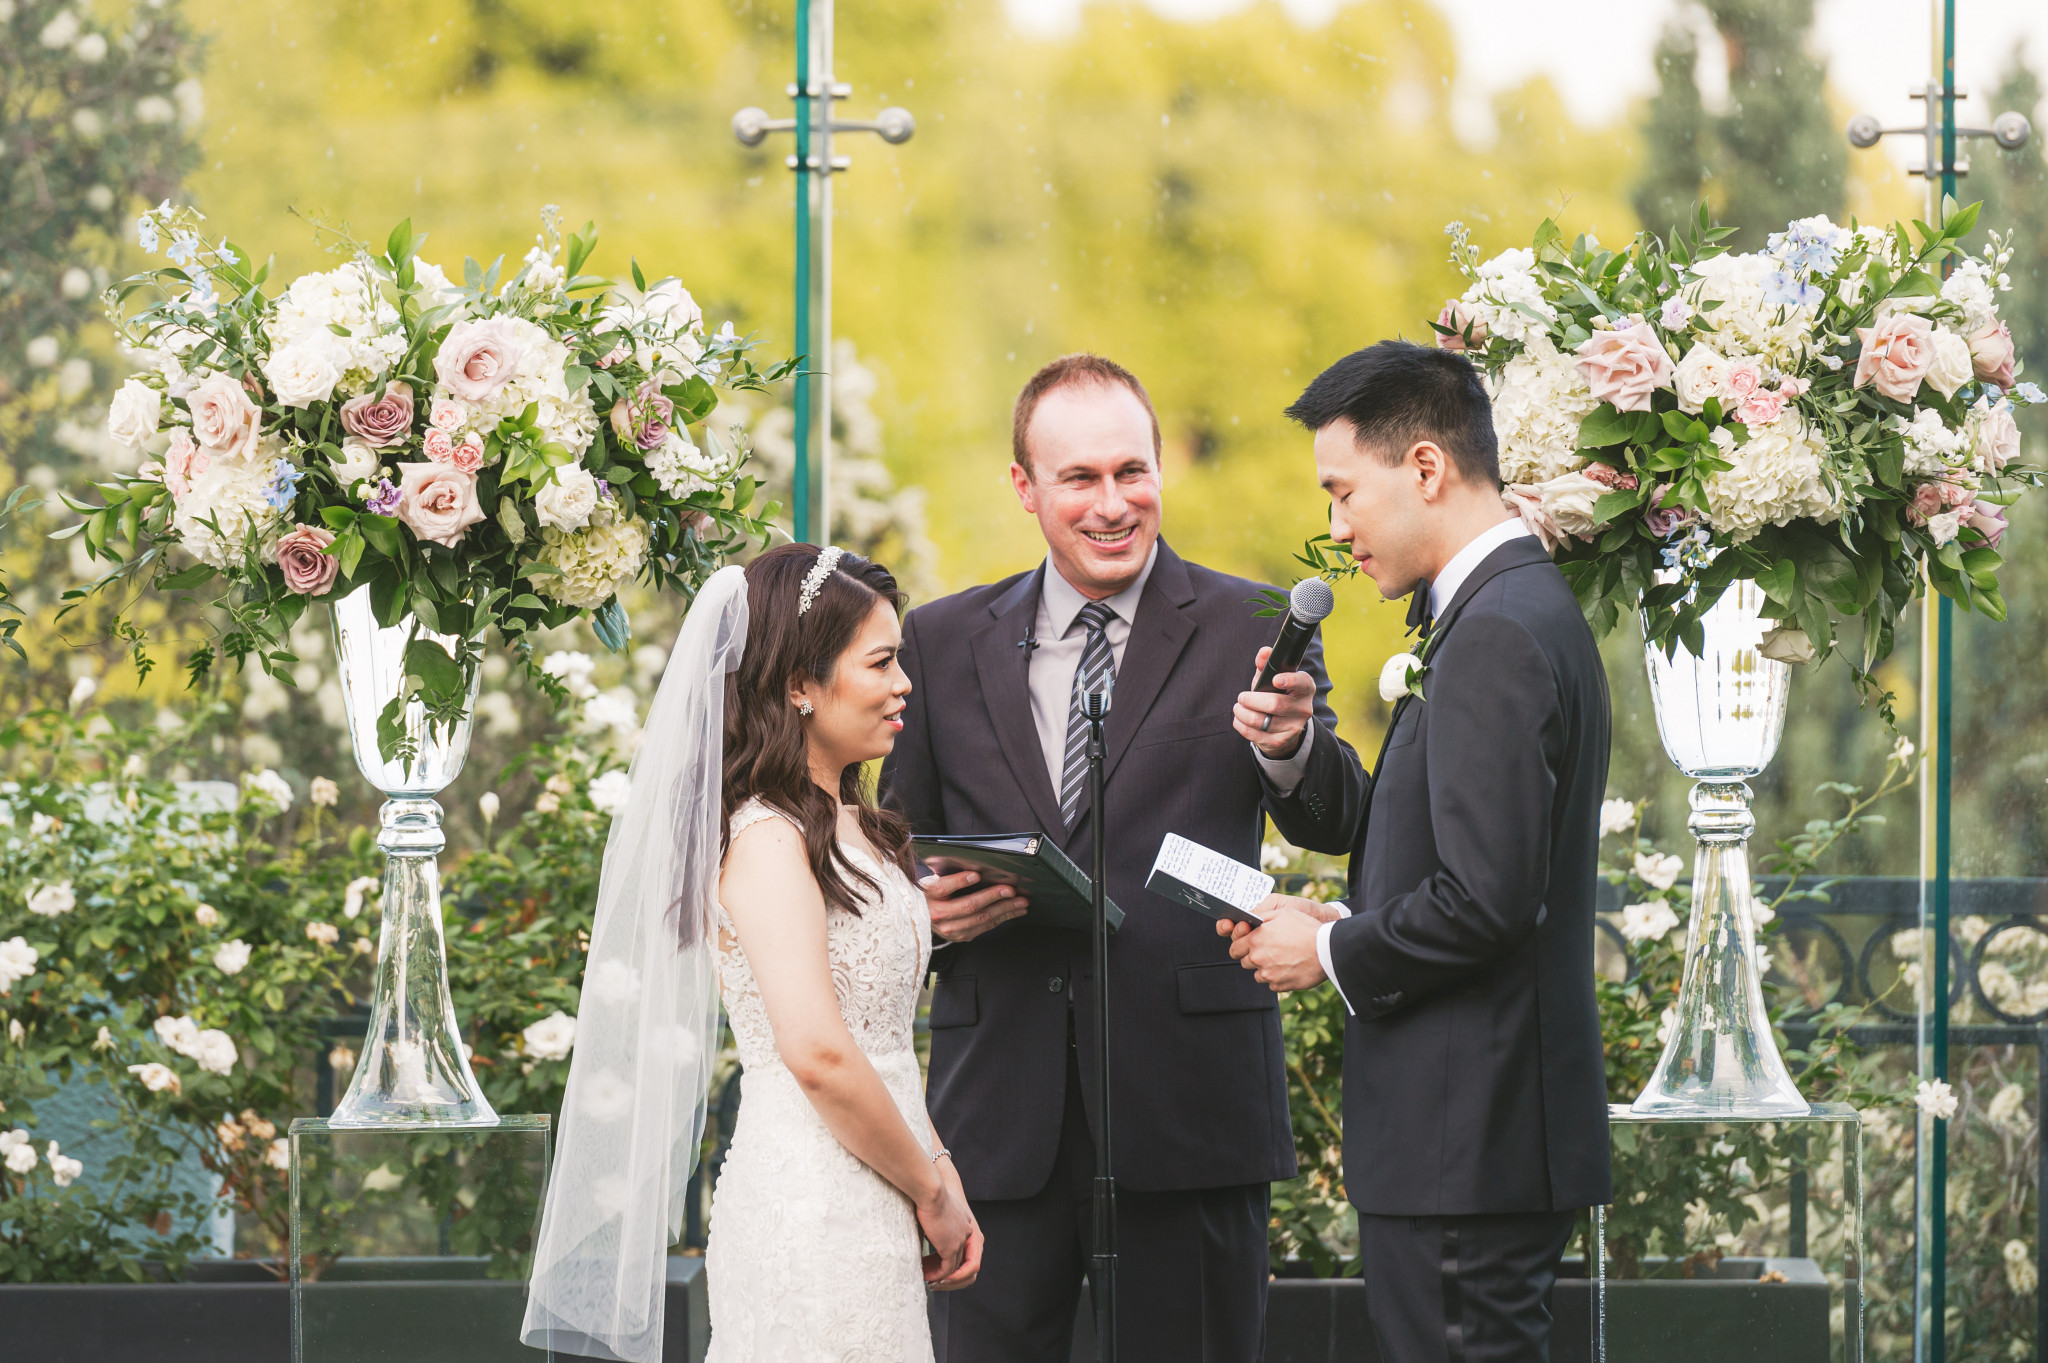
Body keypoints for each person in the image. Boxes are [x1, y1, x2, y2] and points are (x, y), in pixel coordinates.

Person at [881, 354, 1366, 1362]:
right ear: (1024, 488)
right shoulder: (934, 642)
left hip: (1188, 1111)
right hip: (996, 1121)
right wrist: (921, 914)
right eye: (1079, 479)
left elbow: (1335, 816)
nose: (1112, 504)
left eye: (1130, 472)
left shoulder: (1254, 625)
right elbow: (893, 857)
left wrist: (1287, 748)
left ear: (1159, 470)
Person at [1224, 339, 1613, 1363]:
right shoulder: (1503, 611)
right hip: (1471, 1142)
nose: (1335, 527)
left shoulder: (1493, 631)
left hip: (1464, 1142)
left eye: (1343, 492)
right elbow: (1430, 842)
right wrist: (1297, 757)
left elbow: (1487, 898)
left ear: (1427, 468)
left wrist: (1329, 951)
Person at [524, 543, 981, 1363]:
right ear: (799, 684)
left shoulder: (853, 823)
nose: (904, 682)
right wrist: (931, 1189)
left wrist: (936, 1167)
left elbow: (882, 1044)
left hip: (879, 1183)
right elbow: (817, 1053)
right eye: (879, 662)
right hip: (811, 1206)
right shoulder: (766, 836)